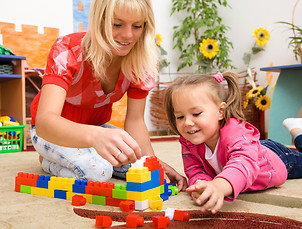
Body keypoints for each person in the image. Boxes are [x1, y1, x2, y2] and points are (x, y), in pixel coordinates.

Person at [30, 0, 187, 191]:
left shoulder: (140, 62)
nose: (128, 35)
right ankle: (48, 161)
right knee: (98, 172)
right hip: (53, 133)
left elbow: (135, 121)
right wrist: (96, 136)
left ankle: (79, 156)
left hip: (97, 129)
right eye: (117, 24)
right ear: (99, 20)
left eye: (137, 26)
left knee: (139, 169)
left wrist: (152, 164)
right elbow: (45, 122)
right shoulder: (68, 49)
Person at [164, 71, 302, 213]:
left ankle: (299, 131)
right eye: (180, 116)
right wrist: (202, 186)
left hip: (277, 158)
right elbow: (194, 169)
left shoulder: (235, 131)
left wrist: (220, 186)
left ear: (220, 111)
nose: (187, 123)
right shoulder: (188, 141)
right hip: (253, 146)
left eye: (197, 114)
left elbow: (243, 164)